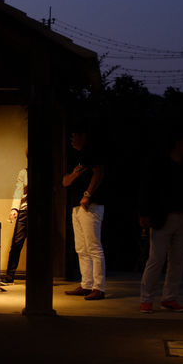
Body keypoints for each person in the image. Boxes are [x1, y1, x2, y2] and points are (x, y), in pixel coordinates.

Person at [138, 129, 183, 314]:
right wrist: (145, 214)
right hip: (164, 217)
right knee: (156, 258)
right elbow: (148, 189)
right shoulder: (160, 165)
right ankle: (147, 298)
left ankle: (169, 297)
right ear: (177, 144)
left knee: (177, 260)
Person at [62, 126, 106, 300]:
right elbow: (65, 182)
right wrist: (73, 175)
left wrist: (87, 194)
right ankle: (86, 284)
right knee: (81, 247)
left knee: (94, 246)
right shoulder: (75, 157)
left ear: (83, 136)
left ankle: (99, 287)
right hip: (77, 206)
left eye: (75, 135)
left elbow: (99, 172)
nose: (72, 139)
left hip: (91, 205)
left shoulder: (91, 152)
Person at [1, 150, 27, 285]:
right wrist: (14, 209)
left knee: (39, 245)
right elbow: (18, 190)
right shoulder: (24, 172)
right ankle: (10, 275)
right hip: (24, 211)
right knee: (16, 243)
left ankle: (41, 277)